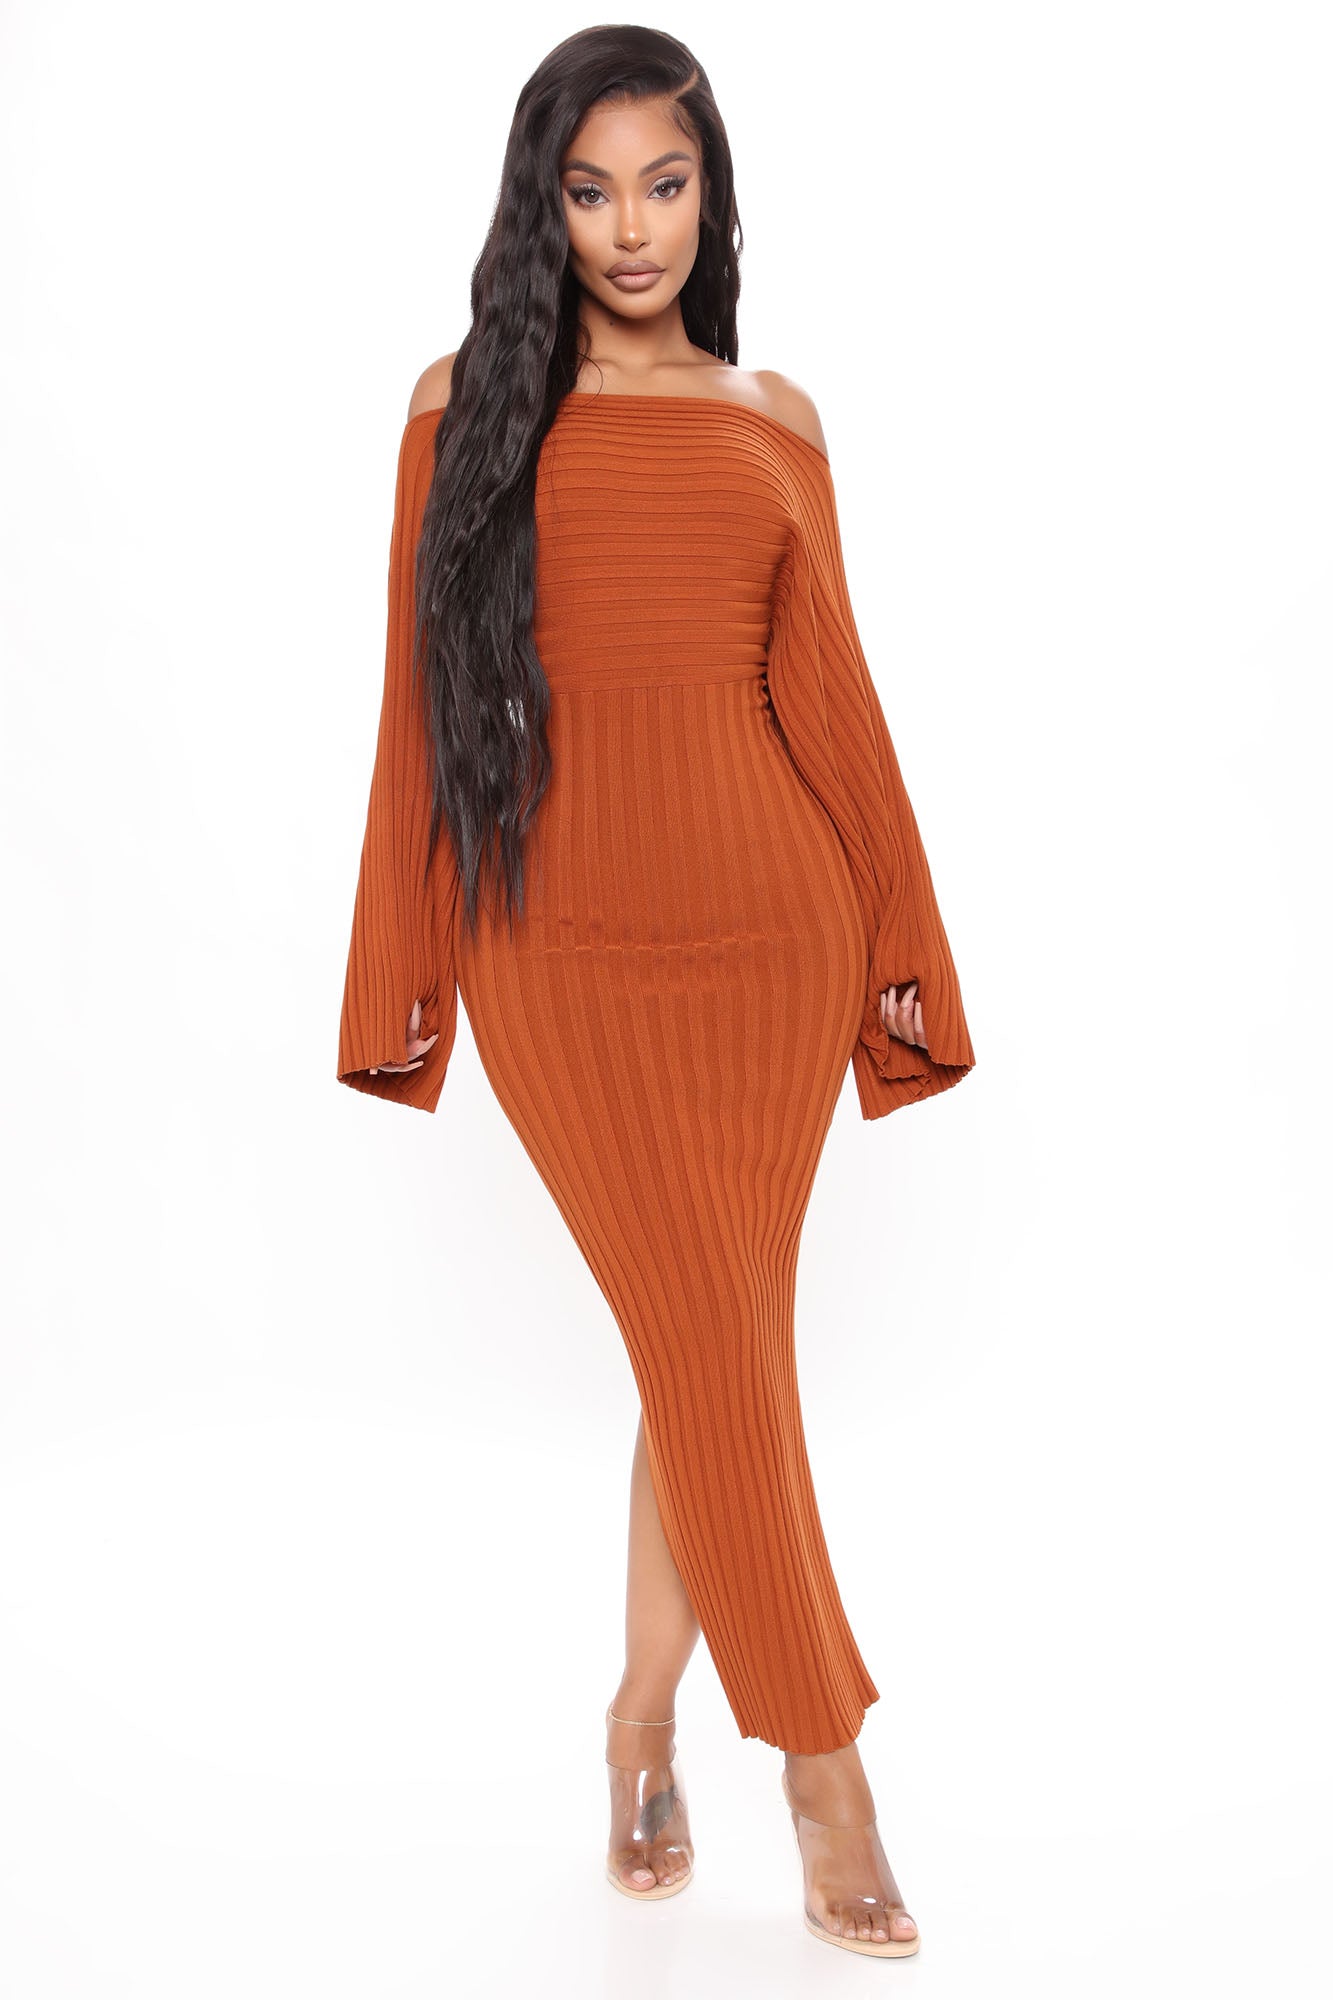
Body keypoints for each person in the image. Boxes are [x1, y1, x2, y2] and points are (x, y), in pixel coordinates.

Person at [335, 24, 975, 1959]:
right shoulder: (461, 410)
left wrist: (900, 955)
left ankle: (648, 1732)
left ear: (712, 196)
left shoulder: (774, 417)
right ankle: (821, 1769)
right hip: (558, 956)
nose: (631, 228)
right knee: (716, 1345)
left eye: (665, 185)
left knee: (710, 1351)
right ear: (541, 207)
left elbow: (831, 704)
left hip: (770, 940)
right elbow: (418, 723)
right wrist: (399, 975)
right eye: (591, 189)